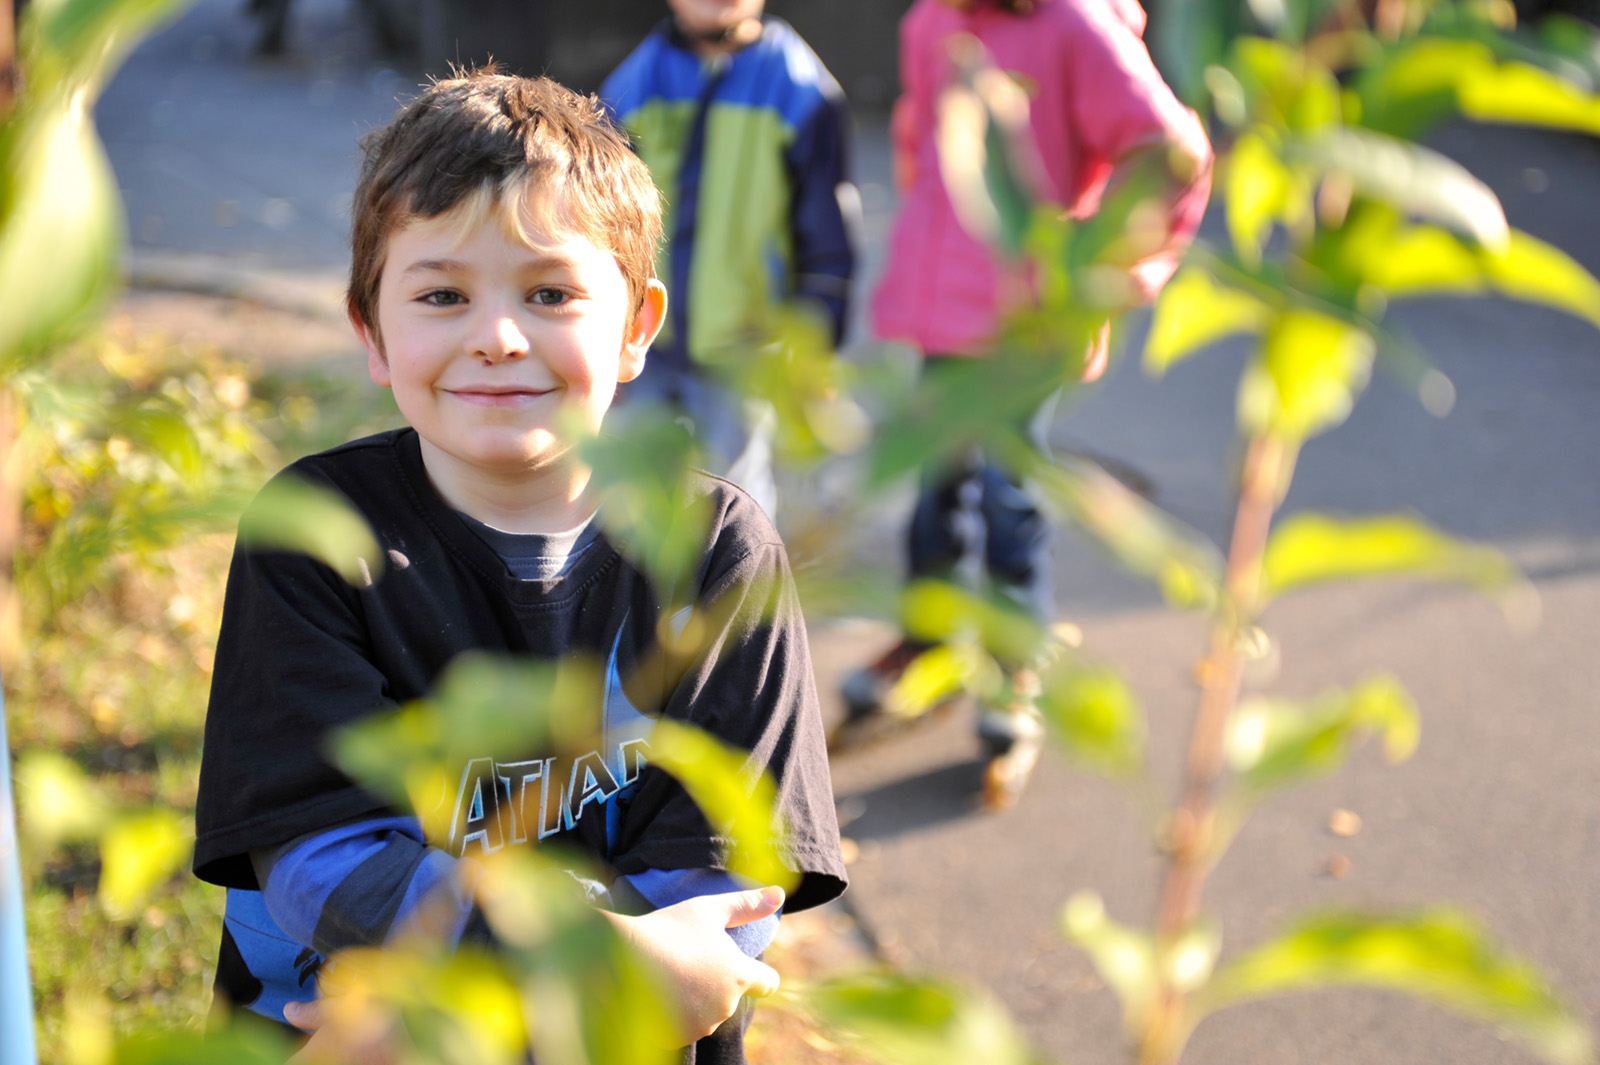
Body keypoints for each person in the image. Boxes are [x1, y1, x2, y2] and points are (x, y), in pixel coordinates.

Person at [192, 70, 847, 1065]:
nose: (496, 337)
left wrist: (473, 1006)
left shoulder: (716, 553)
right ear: (370, 327)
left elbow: (727, 889)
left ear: (635, 325)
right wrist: (594, 962)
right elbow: (319, 861)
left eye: (549, 293)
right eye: (442, 294)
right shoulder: (316, 536)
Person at [841, 0, 1213, 755]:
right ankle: (929, 636)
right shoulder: (931, 23)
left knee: (1010, 491)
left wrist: (1098, 265)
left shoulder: (1074, 27)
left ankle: (1015, 660)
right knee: (935, 480)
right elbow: (921, 134)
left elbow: (1169, 151)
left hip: (1028, 322)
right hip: (945, 306)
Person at [600, 0, 857, 518]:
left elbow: (827, 234)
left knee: (736, 504)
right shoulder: (631, 85)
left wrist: (814, 346)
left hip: (746, 344)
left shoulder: (802, 90)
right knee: (627, 502)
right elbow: (599, 226)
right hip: (641, 340)